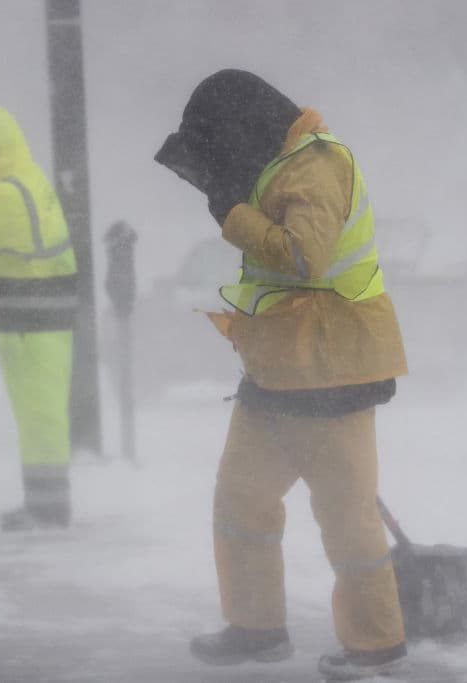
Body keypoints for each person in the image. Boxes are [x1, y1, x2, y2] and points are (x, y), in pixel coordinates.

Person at [154, 69, 409, 681]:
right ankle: (255, 628)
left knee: (346, 517)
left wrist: (235, 214)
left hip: (331, 371)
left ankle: (377, 647)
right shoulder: (277, 165)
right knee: (241, 500)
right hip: (276, 373)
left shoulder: (317, 166)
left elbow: (303, 257)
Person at [0, 106, 78, 532]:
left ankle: (48, 508)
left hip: (31, 317)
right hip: (38, 315)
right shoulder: (30, 179)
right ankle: (44, 503)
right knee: (38, 417)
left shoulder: (7, 194)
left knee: (39, 417)